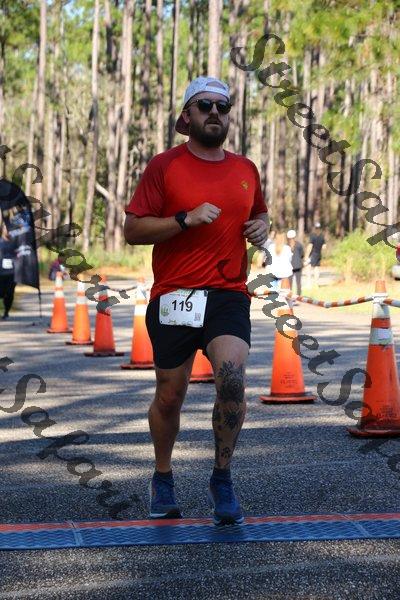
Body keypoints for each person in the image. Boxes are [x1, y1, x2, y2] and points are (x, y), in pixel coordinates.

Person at [124, 76, 268, 525]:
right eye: (205, 105)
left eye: (223, 107)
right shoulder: (164, 166)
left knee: (232, 381)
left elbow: (259, 214)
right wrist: (184, 219)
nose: (215, 113)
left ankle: (221, 478)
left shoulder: (246, 169)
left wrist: (262, 227)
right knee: (170, 395)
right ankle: (162, 477)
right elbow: (133, 229)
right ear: (187, 115)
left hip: (228, 294)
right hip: (175, 295)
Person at [0, 228, 16, 320]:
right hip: (1, 273)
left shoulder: (16, 243)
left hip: (12, 273)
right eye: (6, 228)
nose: (8, 230)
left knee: (9, 294)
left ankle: (6, 312)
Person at [305, 222, 326, 287]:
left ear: (315, 228)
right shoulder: (322, 236)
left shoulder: (312, 236)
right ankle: (316, 284)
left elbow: (310, 246)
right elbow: (324, 247)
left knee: (308, 267)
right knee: (316, 268)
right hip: (318, 254)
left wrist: (306, 256)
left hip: (312, 254)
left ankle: (309, 283)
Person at [287, 229, 304, 296]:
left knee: (290, 283)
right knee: (298, 283)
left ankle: (290, 296)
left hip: (289, 266)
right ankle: (299, 297)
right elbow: (302, 255)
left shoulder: (286, 246)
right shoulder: (299, 245)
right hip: (298, 266)